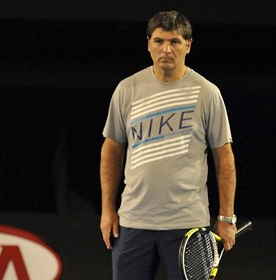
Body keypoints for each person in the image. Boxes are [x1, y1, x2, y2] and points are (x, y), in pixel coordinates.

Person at [99, 11, 237, 280]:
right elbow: (112, 149)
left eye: (174, 41)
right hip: (133, 223)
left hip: (187, 225)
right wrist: (107, 209)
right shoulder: (127, 90)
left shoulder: (207, 93)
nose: (166, 49)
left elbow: (225, 158)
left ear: (188, 45)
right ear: (148, 43)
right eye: (159, 41)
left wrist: (227, 217)